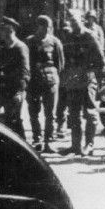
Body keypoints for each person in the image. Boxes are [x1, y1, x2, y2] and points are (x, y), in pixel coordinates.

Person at [59, 9, 105, 157]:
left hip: (87, 79)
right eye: (71, 21)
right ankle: (75, 145)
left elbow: (101, 60)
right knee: (73, 114)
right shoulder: (69, 37)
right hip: (73, 80)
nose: (73, 23)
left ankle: (89, 144)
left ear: (82, 21)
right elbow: (64, 60)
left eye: (75, 20)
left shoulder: (90, 36)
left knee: (90, 112)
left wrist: (92, 75)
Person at [26, 15, 65, 153]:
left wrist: (52, 76)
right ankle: (37, 140)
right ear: (38, 26)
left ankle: (49, 141)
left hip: (51, 81)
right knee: (34, 111)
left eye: (48, 27)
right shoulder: (30, 41)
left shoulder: (55, 42)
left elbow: (60, 64)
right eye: (43, 26)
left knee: (50, 113)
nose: (46, 30)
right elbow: (27, 63)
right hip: (34, 81)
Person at [0, 16, 30, 138]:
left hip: (16, 89)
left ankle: (23, 146)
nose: (0, 33)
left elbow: (25, 72)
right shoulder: (5, 47)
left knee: (15, 119)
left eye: (2, 30)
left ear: (10, 30)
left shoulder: (20, 47)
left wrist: (20, 91)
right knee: (8, 119)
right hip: (6, 88)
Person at [54, 20, 73, 139]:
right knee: (61, 102)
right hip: (63, 77)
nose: (65, 33)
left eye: (67, 31)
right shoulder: (58, 44)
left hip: (72, 77)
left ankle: (68, 123)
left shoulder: (73, 43)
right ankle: (61, 125)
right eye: (63, 31)